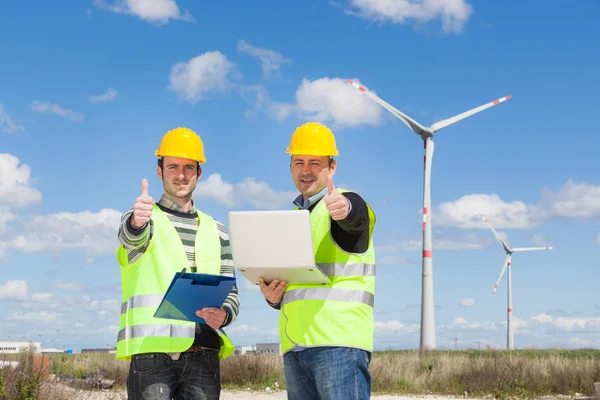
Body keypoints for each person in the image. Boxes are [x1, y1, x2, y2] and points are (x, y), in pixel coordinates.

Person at [115, 127, 240, 400]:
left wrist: (225, 314)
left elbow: (231, 290)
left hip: (205, 353)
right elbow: (130, 238)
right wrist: (136, 221)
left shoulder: (216, 228)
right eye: (172, 167)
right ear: (160, 171)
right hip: (153, 354)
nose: (181, 175)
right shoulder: (144, 218)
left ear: (199, 173)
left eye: (188, 167)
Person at [259, 122, 377, 400]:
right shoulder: (291, 218)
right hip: (296, 347)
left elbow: (357, 220)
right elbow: (297, 283)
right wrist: (273, 296)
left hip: (338, 344)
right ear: (290, 167)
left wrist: (346, 210)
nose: (306, 170)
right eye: (299, 161)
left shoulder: (344, 201)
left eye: (315, 162)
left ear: (331, 167)